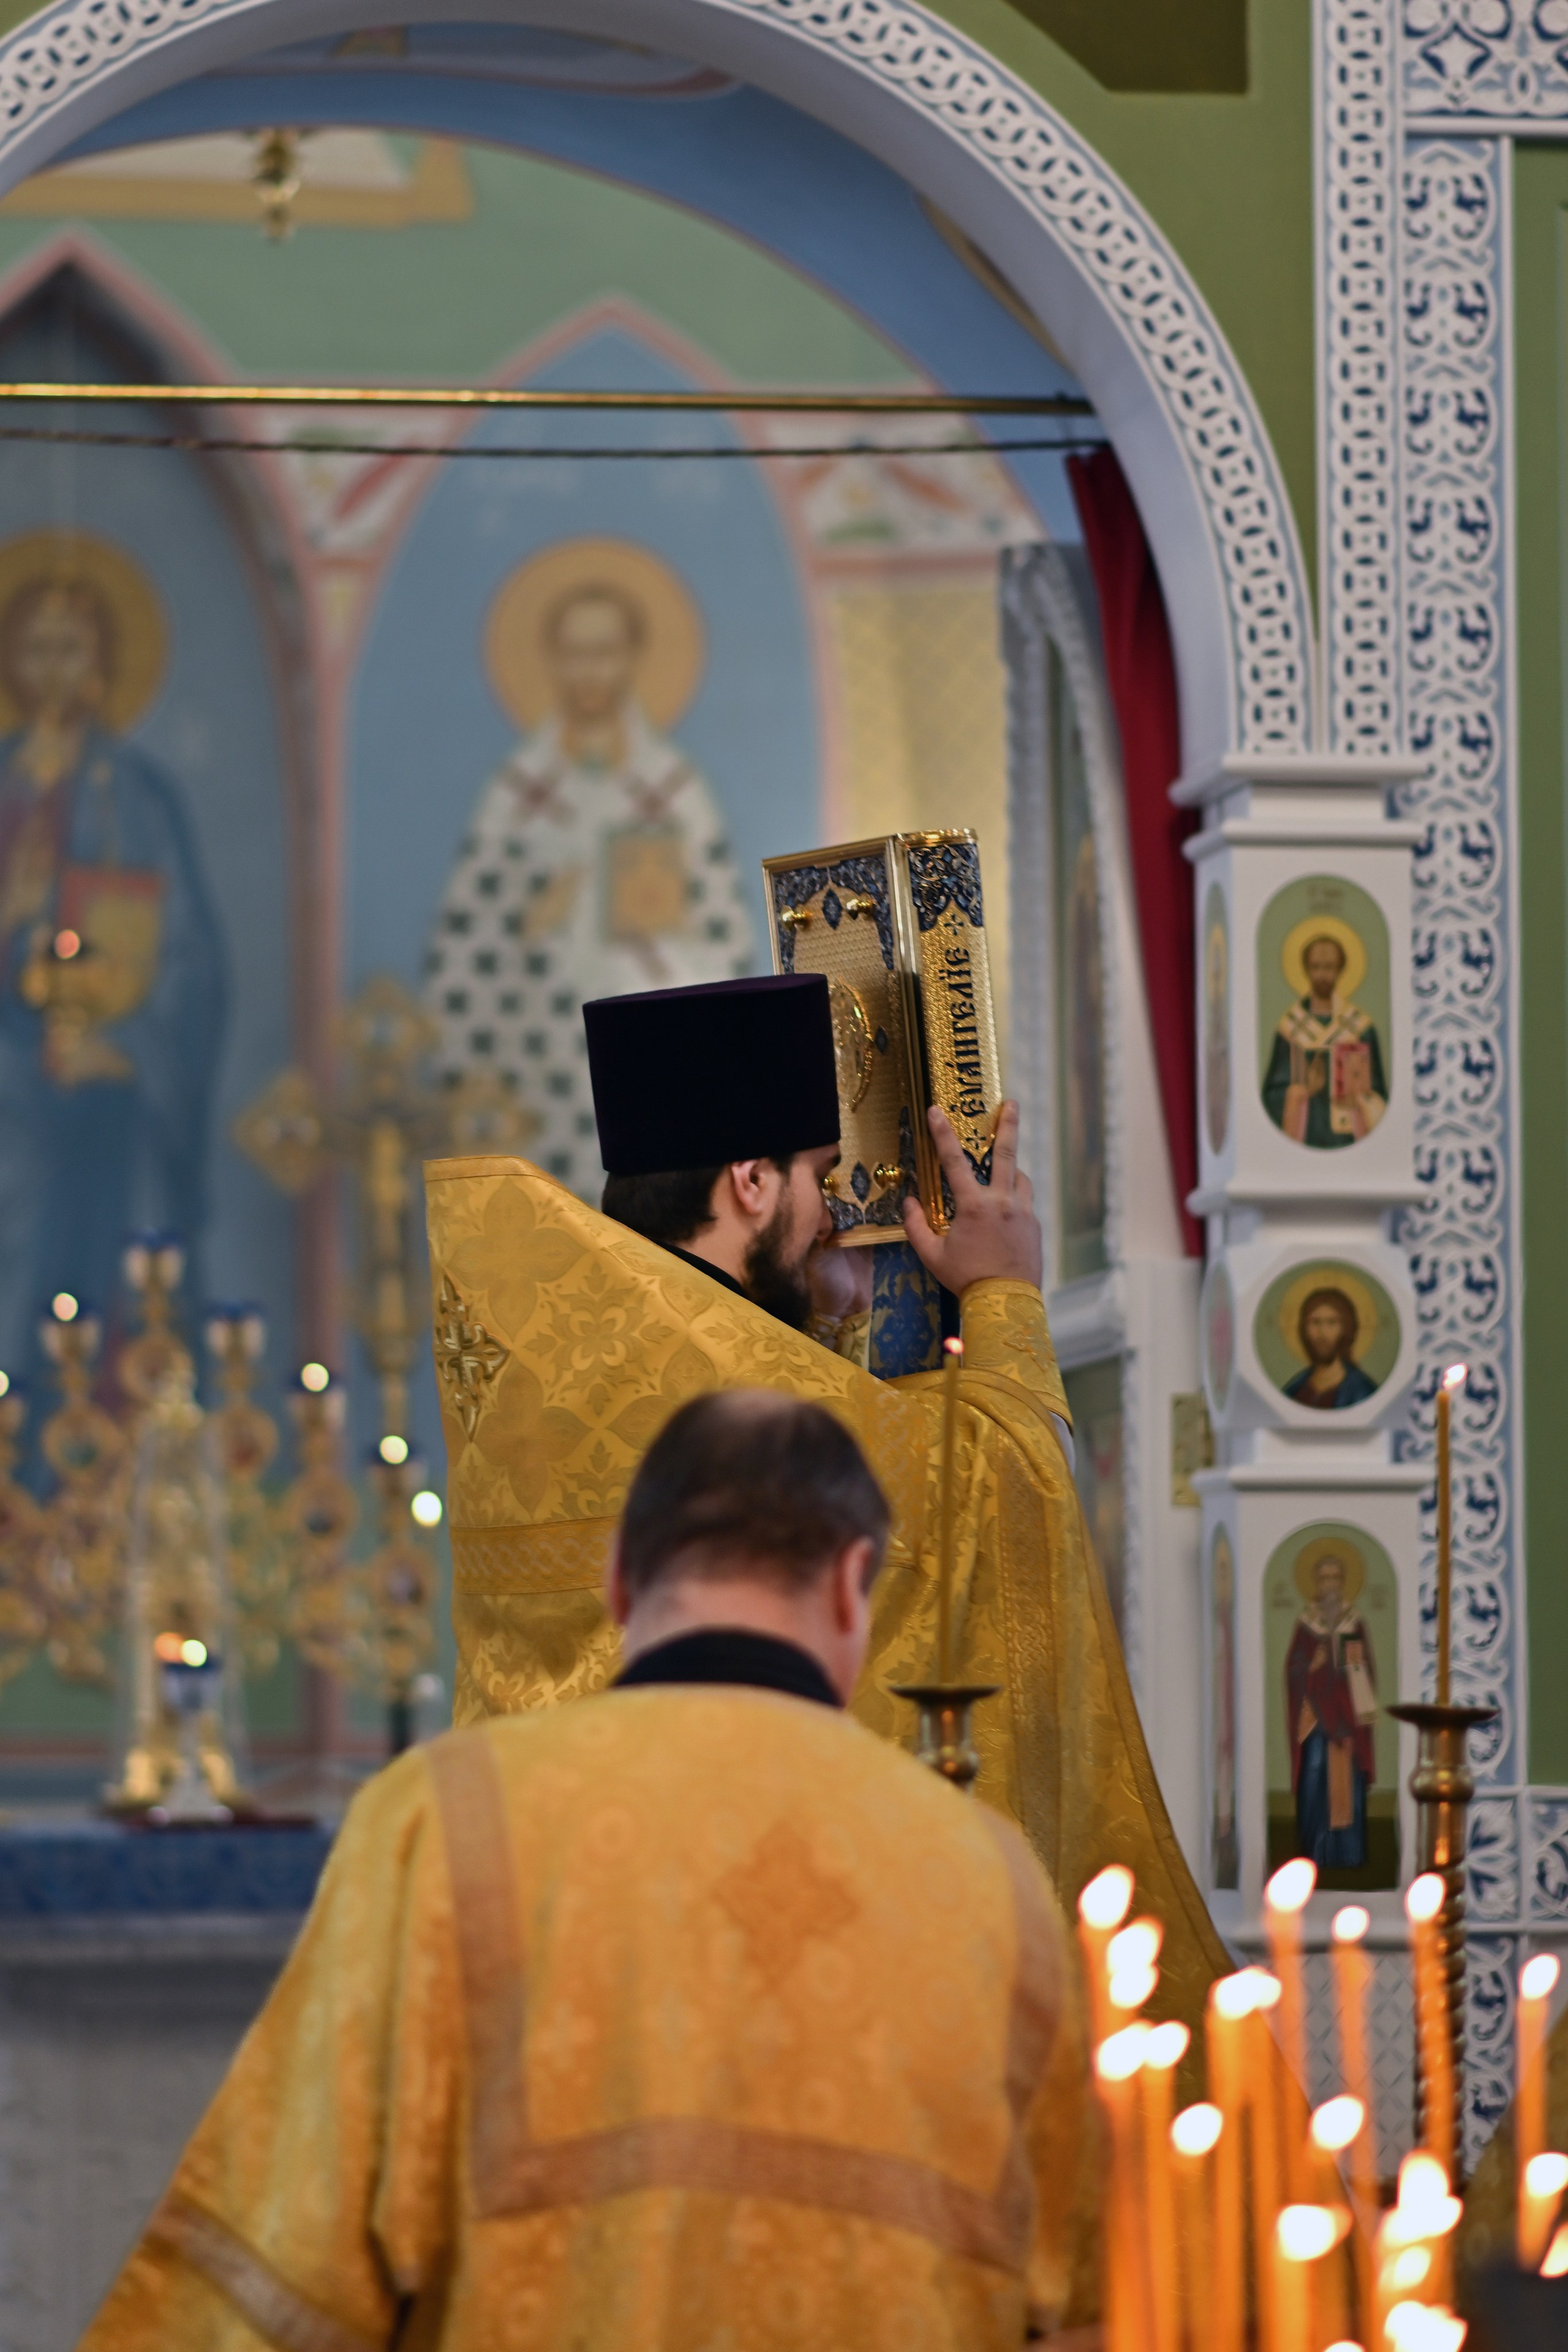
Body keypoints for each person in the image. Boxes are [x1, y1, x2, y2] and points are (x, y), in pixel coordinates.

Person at [80, 1392, 1091, 2351]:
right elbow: (1066, 2289)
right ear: (849, 1583)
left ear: (617, 1579)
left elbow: (281, 2260)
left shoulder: (446, 1819)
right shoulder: (985, 1870)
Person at [426, 972, 1235, 2090]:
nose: (829, 1212)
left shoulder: (548, 1375)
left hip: (553, 1979)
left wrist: (831, 1326)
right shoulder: (753, 1419)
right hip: (766, 2001)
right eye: (815, 1179)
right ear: (750, 1180)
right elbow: (987, 1502)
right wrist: (1002, 1296)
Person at [423, 571, 753, 1203]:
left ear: (631, 657)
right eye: (574, 653)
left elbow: (723, 951)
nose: (589, 671)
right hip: (538, 1069)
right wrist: (527, 926)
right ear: (551, 660)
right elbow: (463, 952)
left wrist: (667, 935)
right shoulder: (517, 793)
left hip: (652, 1073)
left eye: (604, 652)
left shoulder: (676, 793)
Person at [0, 572, 225, 1385]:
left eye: (72, 649)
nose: (54, 669)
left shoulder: (139, 796)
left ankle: (125, 1439)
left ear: (102, 661)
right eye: (37, 649)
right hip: (9, 1067)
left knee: (130, 1209)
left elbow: (192, 959)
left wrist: (126, 1044)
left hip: (116, 1077)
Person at [1284, 1549, 1379, 1870]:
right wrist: (1312, 1666)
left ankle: (1349, 1855)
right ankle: (1312, 1853)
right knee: (1314, 1775)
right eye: (1324, 1578)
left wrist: (1355, 1669)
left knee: (1347, 1782)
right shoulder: (1307, 1624)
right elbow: (1294, 1669)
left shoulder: (1355, 1622)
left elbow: (1368, 1673)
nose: (1330, 1585)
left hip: (1347, 1719)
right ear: (1316, 1583)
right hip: (1315, 1719)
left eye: (1335, 1578)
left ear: (1343, 1582)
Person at [1262, 931, 1387, 1147]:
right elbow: (1271, 1095)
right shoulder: (1290, 1028)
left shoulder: (1360, 1027)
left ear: (1340, 970)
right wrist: (1301, 1092)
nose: (1322, 975)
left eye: (1329, 967)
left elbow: (1380, 1095)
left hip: (1348, 1139)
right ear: (1306, 969)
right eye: (1315, 967)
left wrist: (1359, 1100)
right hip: (1304, 1138)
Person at [1282, 1286, 1380, 1411]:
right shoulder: (1295, 1389)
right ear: (1304, 1329)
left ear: (1346, 1329)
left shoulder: (1363, 1392)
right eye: (1315, 1322)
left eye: (1332, 1323)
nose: (1322, 1333)